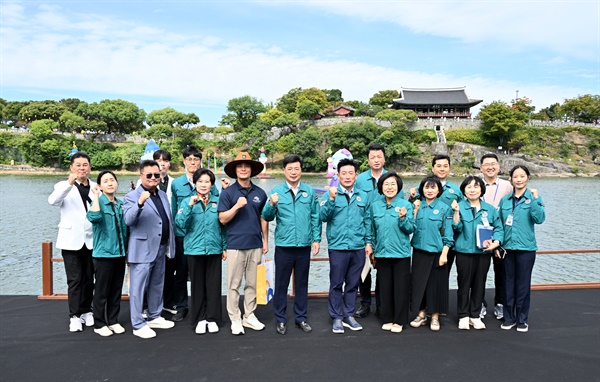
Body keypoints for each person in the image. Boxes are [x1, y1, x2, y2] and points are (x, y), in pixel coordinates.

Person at [262, 155, 321, 335]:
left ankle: (301, 318)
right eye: (290, 169)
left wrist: (316, 239)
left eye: (296, 168)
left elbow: (315, 217)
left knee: (302, 284)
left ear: (301, 170)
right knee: (281, 284)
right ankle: (280, 319)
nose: (293, 172)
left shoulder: (309, 192)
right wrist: (271, 204)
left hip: (303, 246)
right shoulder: (276, 192)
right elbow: (267, 216)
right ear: (284, 171)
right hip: (284, 246)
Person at [124, 160, 176, 339]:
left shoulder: (161, 194)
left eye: (157, 175)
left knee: (157, 284)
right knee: (138, 288)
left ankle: (154, 315)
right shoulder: (132, 195)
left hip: (161, 247)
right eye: (149, 175)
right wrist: (139, 203)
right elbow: (128, 221)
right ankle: (138, 324)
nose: (154, 178)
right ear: (141, 176)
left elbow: (166, 219)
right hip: (142, 249)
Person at [218, 151, 268, 335]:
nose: (244, 169)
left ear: (252, 170)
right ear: (235, 170)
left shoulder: (260, 193)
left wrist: (265, 241)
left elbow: (264, 218)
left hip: (255, 244)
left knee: (252, 284)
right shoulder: (228, 193)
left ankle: (249, 315)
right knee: (233, 285)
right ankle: (235, 318)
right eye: (240, 166)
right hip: (235, 245)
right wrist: (237, 206)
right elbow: (222, 219)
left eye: (247, 166)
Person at [320, 158, 373, 334]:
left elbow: (367, 221)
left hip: (357, 246)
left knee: (352, 284)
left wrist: (368, 242)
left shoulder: (363, 196)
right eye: (344, 173)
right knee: (336, 283)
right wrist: (332, 199)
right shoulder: (330, 194)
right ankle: (336, 317)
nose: (348, 176)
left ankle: (349, 314)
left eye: (351, 173)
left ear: (356, 175)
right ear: (338, 175)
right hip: (338, 246)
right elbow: (323, 216)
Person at [48, 152, 96, 333]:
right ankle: (74, 316)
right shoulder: (62, 186)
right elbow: (53, 201)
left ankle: (86, 310)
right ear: (72, 167)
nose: (82, 168)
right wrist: (69, 183)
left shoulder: (95, 186)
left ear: (90, 167)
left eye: (85, 165)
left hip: (91, 239)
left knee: (89, 278)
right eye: (78, 165)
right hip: (71, 240)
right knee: (75, 280)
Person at [175, 168, 226, 335]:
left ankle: (212, 318)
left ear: (212, 184)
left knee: (213, 285)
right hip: (194, 250)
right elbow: (180, 224)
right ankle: (199, 319)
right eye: (200, 181)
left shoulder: (218, 201)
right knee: (197, 286)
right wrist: (190, 205)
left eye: (207, 182)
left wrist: (224, 247)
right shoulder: (187, 201)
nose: (204, 185)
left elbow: (223, 227)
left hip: (214, 249)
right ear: (195, 183)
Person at [452, 176, 503, 330]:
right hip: (464, 252)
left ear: (482, 190)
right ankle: (463, 315)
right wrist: (455, 213)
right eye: (468, 187)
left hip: (483, 253)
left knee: (479, 284)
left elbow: (499, 228)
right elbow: (456, 229)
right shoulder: (458, 207)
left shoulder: (490, 209)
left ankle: (475, 315)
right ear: (463, 190)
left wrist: (496, 243)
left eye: (476, 186)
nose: (472, 190)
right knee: (463, 284)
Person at [498, 165, 545, 333]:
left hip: (526, 249)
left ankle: (522, 319)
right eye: (515, 176)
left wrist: (534, 200)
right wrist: (498, 244)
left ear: (528, 178)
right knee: (508, 283)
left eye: (522, 176)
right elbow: (500, 225)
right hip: (507, 249)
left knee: (523, 284)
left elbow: (539, 219)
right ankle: (509, 317)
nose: (518, 179)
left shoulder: (533, 198)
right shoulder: (505, 201)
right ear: (511, 179)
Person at [370, 172, 414, 333]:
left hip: (401, 254)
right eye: (386, 184)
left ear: (398, 187)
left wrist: (403, 218)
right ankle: (387, 318)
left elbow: (410, 229)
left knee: (401, 288)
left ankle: (400, 320)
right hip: (381, 253)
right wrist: (372, 249)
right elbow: (371, 230)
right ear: (381, 187)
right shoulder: (375, 206)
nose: (390, 187)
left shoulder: (405, 205)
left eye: (393, 184)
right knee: (385, 288)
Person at [409, 176, 454, 332]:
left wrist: (444, 254)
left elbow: (448, 234)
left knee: (435, 286)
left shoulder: (444, 208)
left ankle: (434, 316)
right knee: (419, 284)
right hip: (419, 252)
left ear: (438, 190)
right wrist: (413, 210)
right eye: (427, 187)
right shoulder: (417, 206)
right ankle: (421, 314)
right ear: (422, 189)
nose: (429, 190)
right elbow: (409, 227)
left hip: (437, 253)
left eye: (433, 187)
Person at [86, 170, 128, 337]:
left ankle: (113, 320)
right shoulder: (98, 202)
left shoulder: (120, 204)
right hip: (104, 255)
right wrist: (96, 196)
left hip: (119, 254)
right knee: (102, 291)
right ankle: (99, 323)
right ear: (100, 186)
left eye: (112, 180)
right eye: (106, 181)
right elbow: (94, 217)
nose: (110, 183)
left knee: (116, 290)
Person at [409, 154, 463, 280]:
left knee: (442, 275)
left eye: (445, 166)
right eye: (439, 166)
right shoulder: (422, 187)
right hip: (427, 239)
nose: (442, 169)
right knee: (421, 277)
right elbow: (413, 210)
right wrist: (412, 197)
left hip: (448, 239)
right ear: (433, 168)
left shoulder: (456, 190)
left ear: (449, 168)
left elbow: (460, 212)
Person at [354, 143, 387, 319]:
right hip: (363, 231)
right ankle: (365, 304)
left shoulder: (391, 178)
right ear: (368, 160)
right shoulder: (359, 179)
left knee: (383, 271)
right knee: (363, 271)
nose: (376, 160)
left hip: (384, 232)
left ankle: (382, 305)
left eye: (379, 156)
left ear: (384, 158)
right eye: (372, 157)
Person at [480, 153, 513, 320]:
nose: (490, 167)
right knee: (480, 272)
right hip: (482, 235)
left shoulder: (508, 186)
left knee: (502, 272)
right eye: (486, 164)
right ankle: (479, 303)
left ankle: (500, 303)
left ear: (499, 166)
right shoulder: (476, 185)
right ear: (481, 168)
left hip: (502, 236)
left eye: (493, 164)